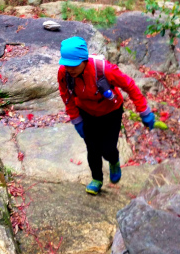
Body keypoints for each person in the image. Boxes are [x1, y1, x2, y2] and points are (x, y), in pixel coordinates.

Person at [58, 36, 155, 194]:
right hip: (86, 112)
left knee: (108, 148)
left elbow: (129, 85)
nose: (69, 68)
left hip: (111, 112)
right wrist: (76, 119)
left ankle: (114, 160)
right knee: (92, 148)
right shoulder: (64, 73)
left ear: (84, 60)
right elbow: (66, 95)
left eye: (73, 65)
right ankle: (97, 179)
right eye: (66, 64)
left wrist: (144, 111)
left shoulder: (104, 70)